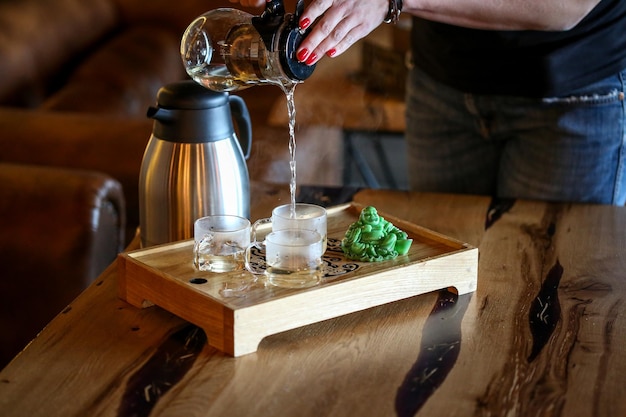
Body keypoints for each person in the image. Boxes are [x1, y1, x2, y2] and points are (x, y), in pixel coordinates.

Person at [231, 0, 626, 205]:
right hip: (441, 82)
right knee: (448, 280)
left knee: (553, 286)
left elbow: (567, 7)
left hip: (573, 95)